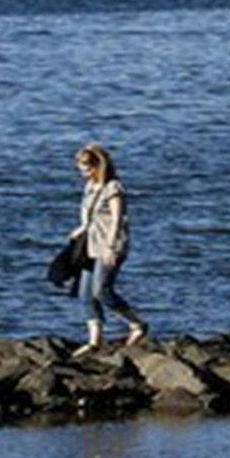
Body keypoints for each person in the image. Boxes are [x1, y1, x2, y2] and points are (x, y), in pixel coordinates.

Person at [69, 143, 148, 355]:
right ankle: (95, 340)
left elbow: (117, 220)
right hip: (90, 245)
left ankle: (137, 323)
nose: (82, 171)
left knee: (102, 290)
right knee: (86, 293)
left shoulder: (113, 188)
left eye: (86, 167)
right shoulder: (90, 187)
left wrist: (111, 247)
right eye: (80, 167)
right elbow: (93, 215)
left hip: (109, 245)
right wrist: (82, 229)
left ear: (98, 166)